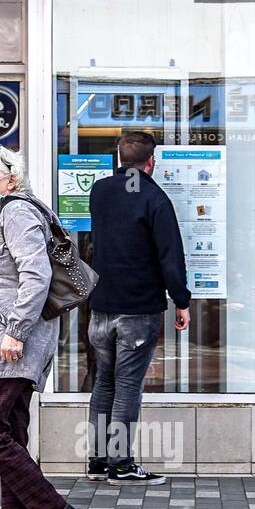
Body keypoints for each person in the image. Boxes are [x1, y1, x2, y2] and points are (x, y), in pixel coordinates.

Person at [0, 145, 80, 509]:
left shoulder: (17, 211)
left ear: (11, 179)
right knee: (9, 431)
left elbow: (36, 275)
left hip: (15, 341)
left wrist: (15, 331)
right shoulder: (4, 217)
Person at [85, 131, 191, 486]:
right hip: (137, 308)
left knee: (105, 381)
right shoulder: (155, 198)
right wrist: (182, 300)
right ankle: (121, 463)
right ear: (151, 162)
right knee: (128, 384)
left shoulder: (99, 192)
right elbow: (170, 256)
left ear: (118, 157)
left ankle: (99, 460)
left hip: (101, 307)